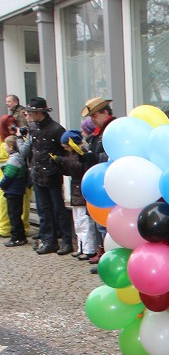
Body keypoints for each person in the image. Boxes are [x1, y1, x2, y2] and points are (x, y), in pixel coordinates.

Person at [18, 96, 72, 255]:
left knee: (58, 209)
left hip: (52, 175)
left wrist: (56, 166)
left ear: (39, 112)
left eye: (31, 112)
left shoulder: (56, 129)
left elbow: (63, 152)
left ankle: (67, 241)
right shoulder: (33, 127)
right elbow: (32, 151)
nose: (29, 115)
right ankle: (49, 240)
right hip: (37, 174)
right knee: (43, 210)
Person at [80, 96, 115, 271]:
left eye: (94, 115)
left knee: (108, 225)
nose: (91, 119)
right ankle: (103, 255)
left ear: (105, 112)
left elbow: (111, 156)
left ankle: (109, 258)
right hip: (98, 184)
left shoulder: (111, 129)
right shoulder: (97, 133)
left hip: (109, 184)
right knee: (100, 224)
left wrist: (93, 157)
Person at [56, 129, 95, 259]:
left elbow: (78, 167)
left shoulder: (81, 153)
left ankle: (89, 249)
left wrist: (63, 161)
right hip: (75, 189)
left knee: (85, 222)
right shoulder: (71, 155)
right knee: (78, 222)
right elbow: (69, 170)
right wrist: (59, 165)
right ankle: (81, 246)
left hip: (81, 189)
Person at [0, 134, 28, 246]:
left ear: (11, 147)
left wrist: (1, 185)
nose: (4, 148)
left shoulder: (13, 159)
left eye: (5, 146)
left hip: (13, 191)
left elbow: (8, 176)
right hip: (16, 190)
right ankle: (20, 236)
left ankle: (16, 237)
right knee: (16, 214)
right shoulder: (17, 157)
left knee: (14, 215)